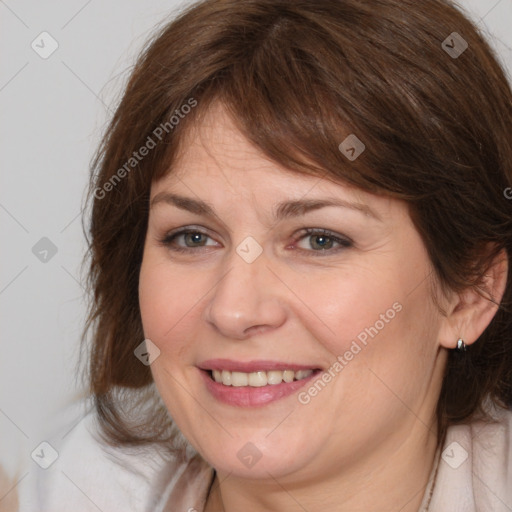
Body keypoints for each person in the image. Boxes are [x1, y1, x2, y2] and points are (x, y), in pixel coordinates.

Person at [21, 0, 512, 510]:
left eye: (320, 239)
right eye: (192, 237)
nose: (233, 310)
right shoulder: (76, 480)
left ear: (469, 294)